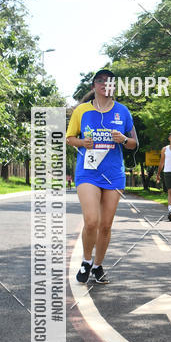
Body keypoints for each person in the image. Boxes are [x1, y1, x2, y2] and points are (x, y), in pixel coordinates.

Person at [66, 69, 138, 284]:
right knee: (91, 221)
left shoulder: (123, 111)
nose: (105, 84)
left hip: (114, 174)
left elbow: (134, 143)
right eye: (100, 81)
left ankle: (98, 266)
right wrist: (82, 142)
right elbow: (70, 138)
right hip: (88, 172)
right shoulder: (82, 111)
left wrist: (124, 139)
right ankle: (86, 261)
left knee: (105, 225)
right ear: (94, 86)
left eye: (109, 82)